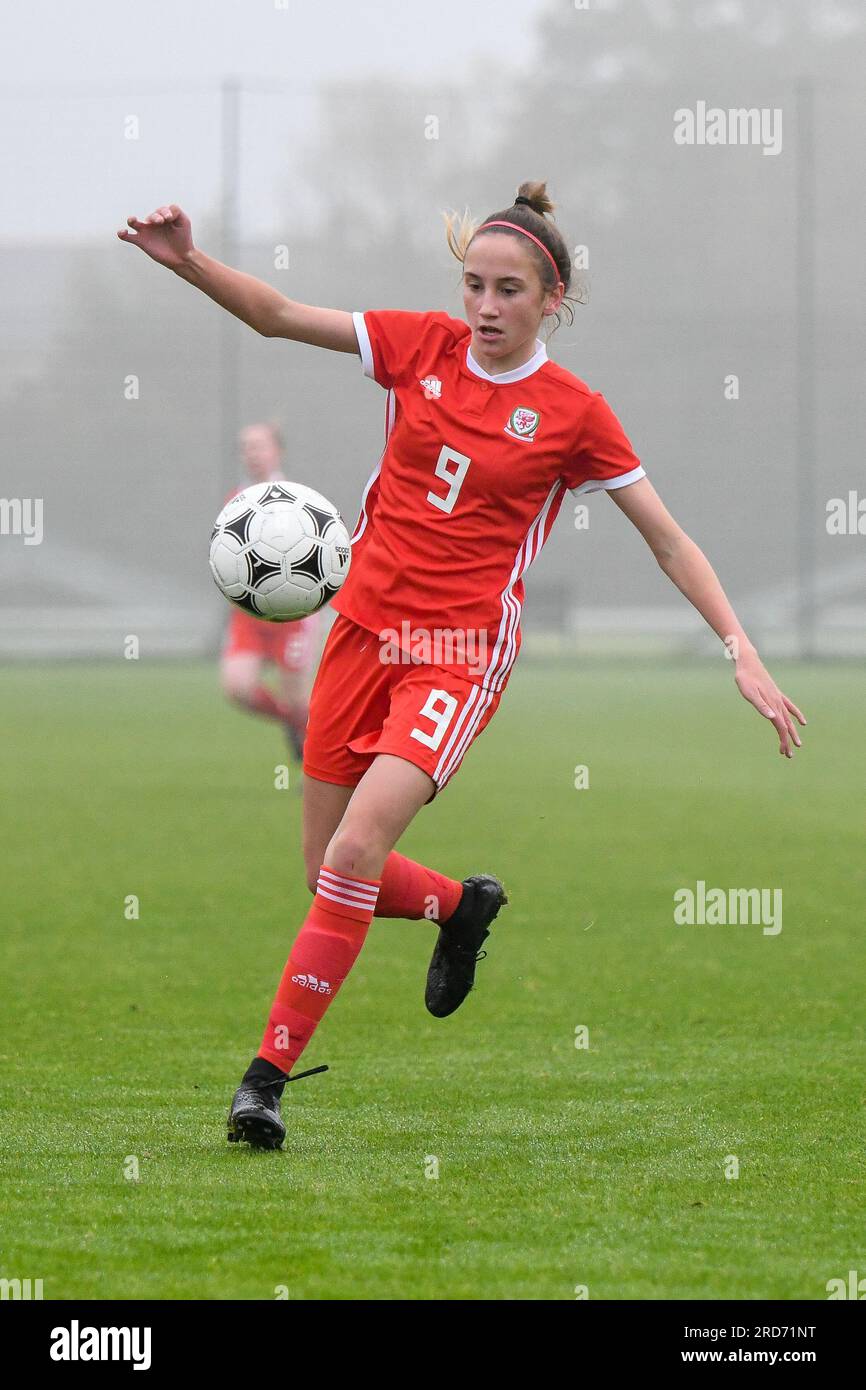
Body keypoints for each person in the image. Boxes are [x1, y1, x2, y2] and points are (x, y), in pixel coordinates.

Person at [118, 182, 806, 1151]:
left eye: (507, 291)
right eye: (473, 285)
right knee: (323, 869)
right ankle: (457, 904)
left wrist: (741, 649)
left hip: (454, 655)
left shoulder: (573, 413)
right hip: (359, 633)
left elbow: (665, 538)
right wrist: (188, 261)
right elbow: (275, 316)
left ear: (550, 299)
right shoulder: (418, 346)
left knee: (352, 856)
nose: (483, 307)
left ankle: (262, 1082)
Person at [219, 421, 319, 763]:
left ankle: (318, 768)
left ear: (278, 451)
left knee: (298, 700)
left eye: (259, 446)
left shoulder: (294, 499)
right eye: (246, 447)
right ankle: (295, 725)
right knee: (238, 688)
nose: (252, 454)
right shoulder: (235, 499)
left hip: (292, 613)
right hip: (249, 613)